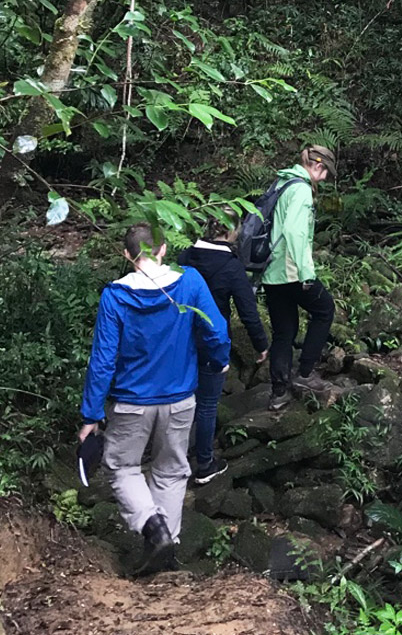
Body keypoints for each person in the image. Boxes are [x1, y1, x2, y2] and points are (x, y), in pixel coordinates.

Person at [79, 223, 230, 575]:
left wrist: (91, 414)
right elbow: (216, 329)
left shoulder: (115, 297)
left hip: (131, 403)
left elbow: (103, 360)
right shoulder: (189, 282)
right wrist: (219, 359)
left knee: (122, 468)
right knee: (171, 472)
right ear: (163, 250)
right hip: (179, 400)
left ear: (126, 255)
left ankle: (152, 530)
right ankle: (167, 549)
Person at [178, 210, 269, 485]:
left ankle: (174, 458)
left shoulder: (183, 257)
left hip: (180, 339)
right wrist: (261, 345)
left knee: (181, 400)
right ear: (230, 233)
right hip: (211, 340)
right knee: (206, 405)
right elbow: (248, 312)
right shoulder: (230, 267)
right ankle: (204, 463)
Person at [263, 145, 337, 411]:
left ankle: (278, 393)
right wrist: (307, 274)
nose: (326, 178)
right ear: (318, 166)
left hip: (271, 272)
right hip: (291, 271)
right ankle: (306, 374)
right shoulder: (302, 189)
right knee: (325, 310)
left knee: (284, 331)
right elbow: (294, 232)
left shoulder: (282, 181)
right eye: (327, 172)